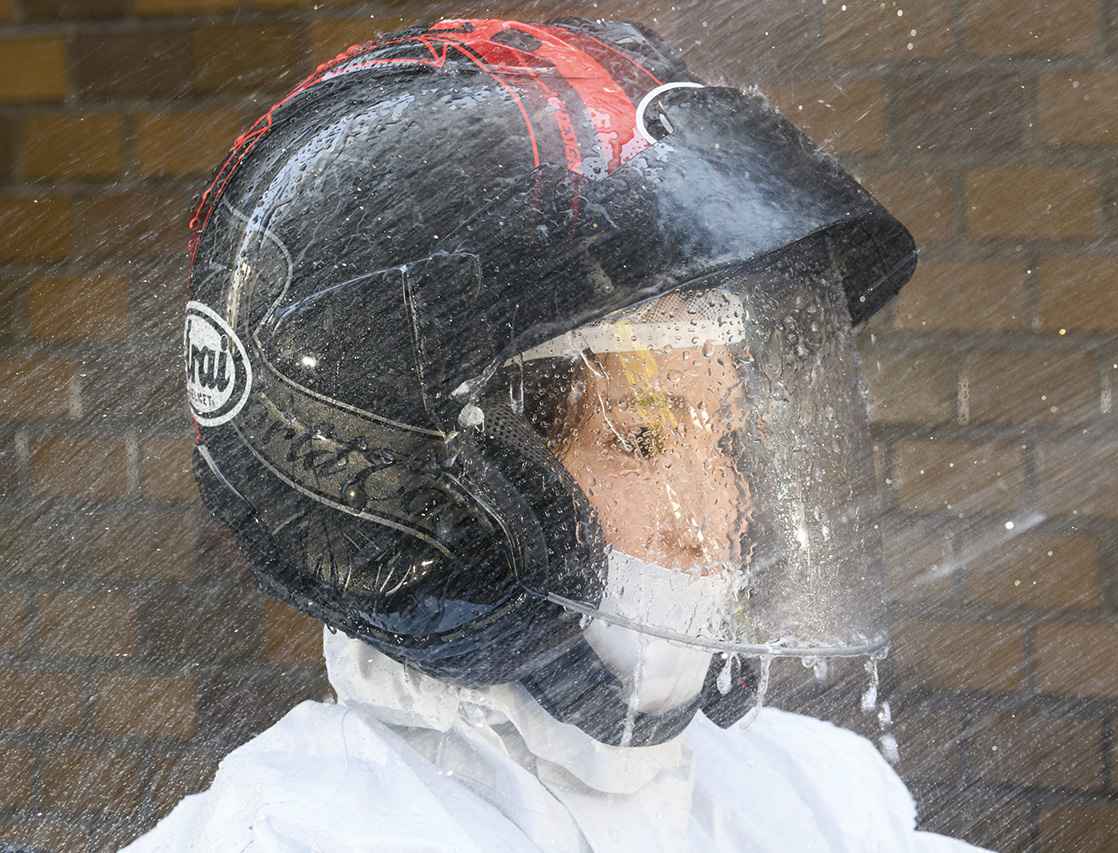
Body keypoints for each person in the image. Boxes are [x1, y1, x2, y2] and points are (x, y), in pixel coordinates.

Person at [126, 17, 986, 852]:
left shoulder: (812, 796)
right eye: (646, 439)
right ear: (430, 493)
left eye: (726, 439)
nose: (720, 514)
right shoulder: (306, 835)